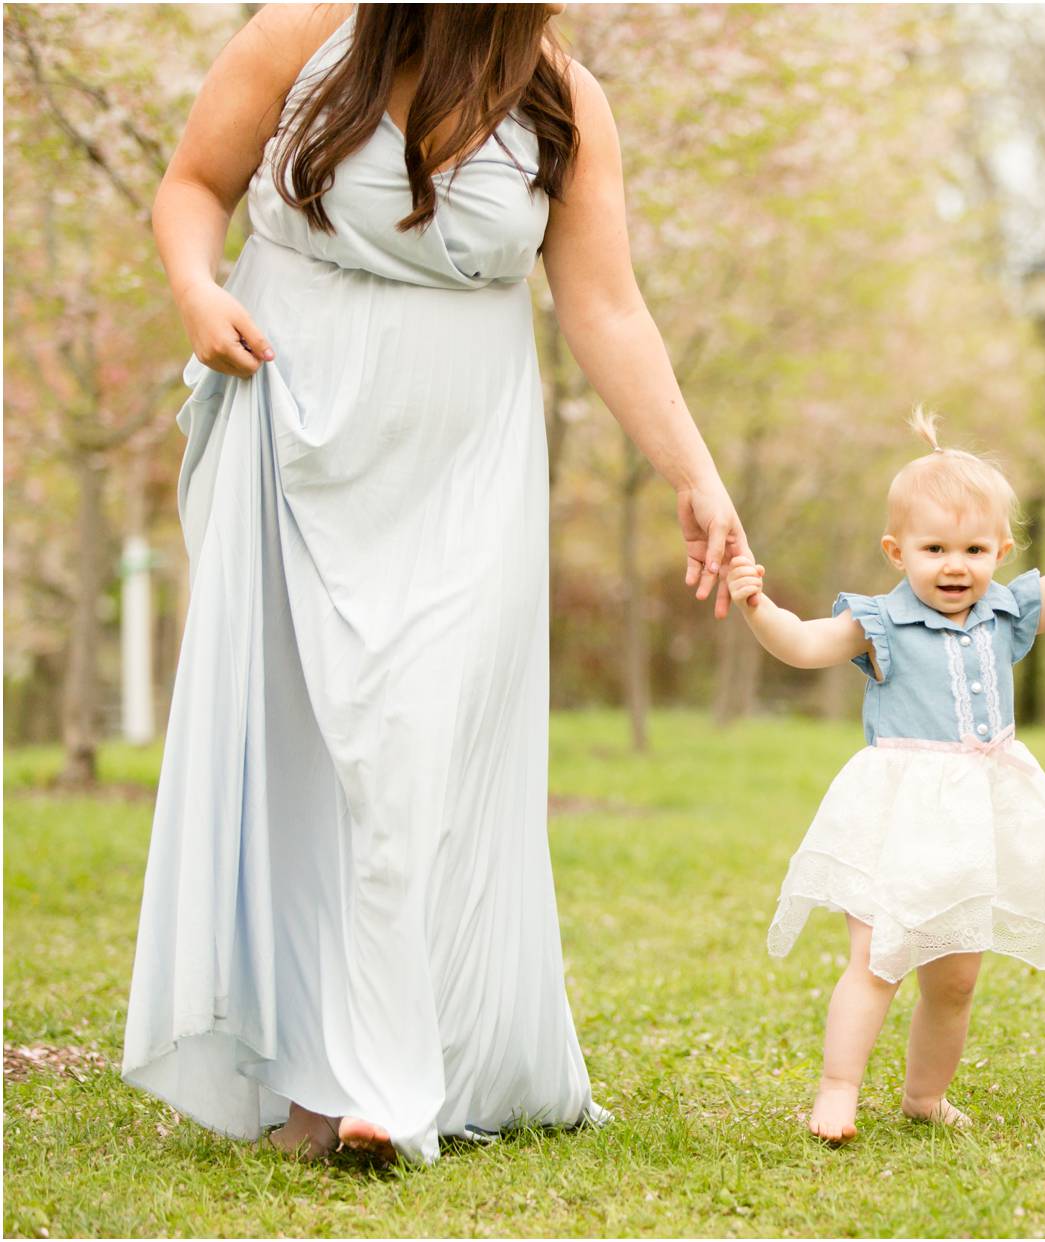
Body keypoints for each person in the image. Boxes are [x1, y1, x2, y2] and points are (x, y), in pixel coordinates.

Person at [122, 2, 749, 1165]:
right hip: (297, 423)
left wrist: (693, 474)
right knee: (317, 749)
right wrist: (197, 290)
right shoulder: (295, 38)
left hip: (463, 457)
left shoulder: (563, 101)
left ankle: (383, 1083)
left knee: (407, 741)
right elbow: (191, 185)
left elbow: (605, 305)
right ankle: (320, 1070)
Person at [730, 409, 1045, 1142]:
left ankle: (925, 1095)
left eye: (975, 548)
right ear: (897, 551)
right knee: (878, 959)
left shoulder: (1004, 612)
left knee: (955, 980)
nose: (956, 566)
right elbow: (800, 644)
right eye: (935, 548)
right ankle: (837, 1090)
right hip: (901, 818)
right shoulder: (880, 623)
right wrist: (758, 606)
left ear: (1002, 549)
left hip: (973, 823)